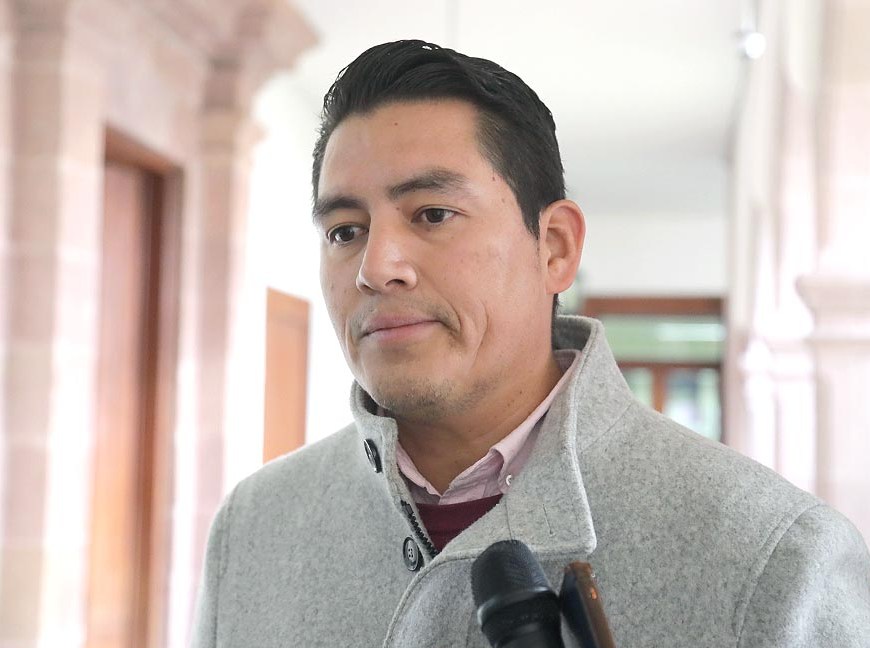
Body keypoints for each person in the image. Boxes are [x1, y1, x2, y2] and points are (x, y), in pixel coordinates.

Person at [192, 40, 870, 647]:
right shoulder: (253, 529)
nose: (376, 267)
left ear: (555, 248)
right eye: (345, 230)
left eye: (432, 214)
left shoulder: (774, 559)